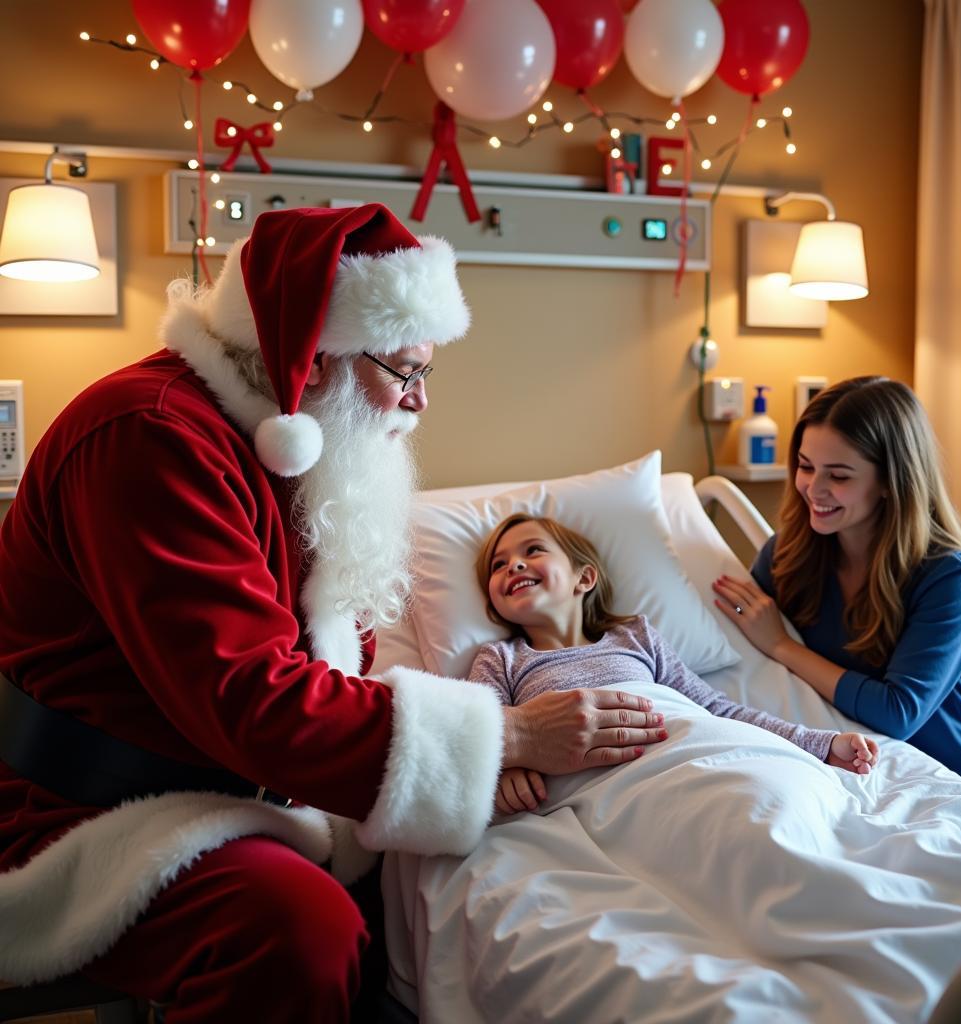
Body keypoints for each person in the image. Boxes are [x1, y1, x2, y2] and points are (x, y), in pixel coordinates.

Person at [0, 204, 669, 1022]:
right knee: (300, 933)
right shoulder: (149, 436)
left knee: (483, 894)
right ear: (308, 358)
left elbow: (334, 656)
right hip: (99, 813)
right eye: (404, 370)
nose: (419, 404)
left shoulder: (290, 445)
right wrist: (511, 735)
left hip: (255, 783)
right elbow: (248, 693)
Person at [711, 376, 961, 798]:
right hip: (850, 777)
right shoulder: (787, 557)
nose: (814, 490)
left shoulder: (950, 578)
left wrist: (782, 646)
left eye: (838, 475)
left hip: (958, 783)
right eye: (805, 466)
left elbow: (897, 713)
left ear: (891, 482)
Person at [469, 513, 879, 815]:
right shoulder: (501, 660)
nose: (514, 565)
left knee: (769, 805)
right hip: (614, 798)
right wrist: (503, 768)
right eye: (498, 565)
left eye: (532, 550)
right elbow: (481, 732)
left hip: (690, 762)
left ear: (585, 578)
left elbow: (716, 711)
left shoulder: (636, 636)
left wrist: (819, 744)